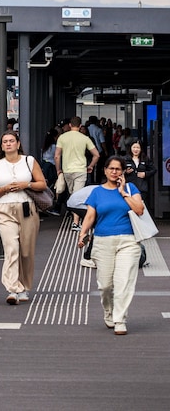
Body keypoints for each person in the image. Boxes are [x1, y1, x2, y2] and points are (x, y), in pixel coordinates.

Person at [77, 157, 144, 335]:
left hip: (128, 241)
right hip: (102, 241)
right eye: (111, 168)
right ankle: (109, 311)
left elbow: (139, 209)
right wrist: (82, 234)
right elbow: (90, 216)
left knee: (124, 283)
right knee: (105, 285)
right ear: (105, 170)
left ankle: (120, 319)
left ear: (122, 172)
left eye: (118, 169)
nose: (114, 172)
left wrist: (123, 192)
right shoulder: (97, 192)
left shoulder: (130, 189)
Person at [0, 130, 47, 305]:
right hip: (5, 209)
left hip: (27, 207)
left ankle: (25, 286)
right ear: (2, 146)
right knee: (11, 248)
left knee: (26, 252)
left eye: (11, 141)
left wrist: (25, 184)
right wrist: (5, 189)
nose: (8, 144)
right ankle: (13, 288)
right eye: (5, 141)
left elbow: (42, 184)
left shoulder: (29, 161)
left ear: (18, 144)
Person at [55, 117, 99, 230]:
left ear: (70, 125)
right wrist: (91, 166)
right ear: (80, 126)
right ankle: (75, 223)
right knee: (77, 195)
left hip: (67, 170)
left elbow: (57, 155)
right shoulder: (85, 138)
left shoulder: (62, 137)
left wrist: (58, 169)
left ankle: (75, 220)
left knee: (72, 194)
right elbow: (96, 155)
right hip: (80, 170)